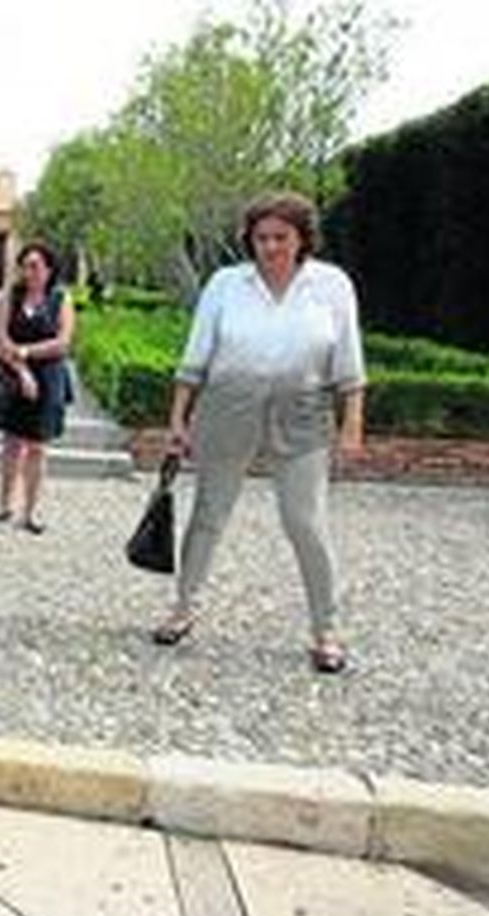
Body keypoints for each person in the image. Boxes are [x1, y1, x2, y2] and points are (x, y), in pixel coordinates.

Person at [153, 192, 365, 674]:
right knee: (209, 513)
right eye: (261, 238)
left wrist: (352, 423)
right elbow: (196, 355)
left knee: (305, 522)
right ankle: (183, 607)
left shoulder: (331, 285)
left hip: (304, 412)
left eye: (280, 238)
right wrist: (177, 419)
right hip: (228, 406)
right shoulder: (227, 284)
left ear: (302, 239)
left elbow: (349, 363)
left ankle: (325, 629)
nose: (269, 247)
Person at [0, 242, 76, 534]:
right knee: (11, 443)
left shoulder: (61, 298)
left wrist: (25, 353)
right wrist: (22, 370)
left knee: (37, 446)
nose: (29, 272)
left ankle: (30, 512)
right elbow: (0, 336)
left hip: (48, 378)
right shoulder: (12, 295)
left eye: (35, 266)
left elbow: (62, 342)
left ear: (49, 269)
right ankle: (3, 505)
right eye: (24, 266)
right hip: (13, 376)